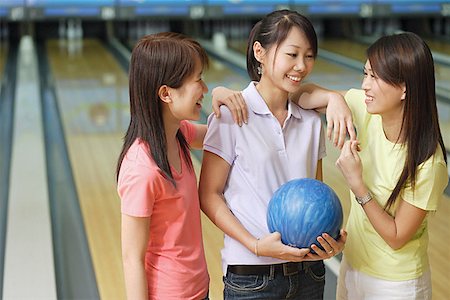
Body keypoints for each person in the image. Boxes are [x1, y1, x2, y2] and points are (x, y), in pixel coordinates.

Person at [198, 10, 347, 300]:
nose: (301, 66)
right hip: (252, 276)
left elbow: (315, 196)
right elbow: (209, 195)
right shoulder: (230, 116)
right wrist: (254, 245)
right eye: (292, 54)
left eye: (309, 56)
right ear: (259, 52)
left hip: (310, 273)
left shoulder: (312, 121)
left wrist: (329, 240)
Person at [296, 32, 448, 299]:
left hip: (396, 284)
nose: (365, 85)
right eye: (365, 74)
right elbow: (299, 93)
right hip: (353, 267)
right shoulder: (366, 109)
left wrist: (358, 185)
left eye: (375, 77)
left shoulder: (428, 161)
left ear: (404, 88)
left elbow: (397, 236)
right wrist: (335, 99)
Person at [116, 32, 246, 300]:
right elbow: (132, 258)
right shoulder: (142, 169)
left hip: (198, 290)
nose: (205, 88)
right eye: (198, 79)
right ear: (166, 94)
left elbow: (223, 135)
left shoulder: (179, 133)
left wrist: (224, 95)